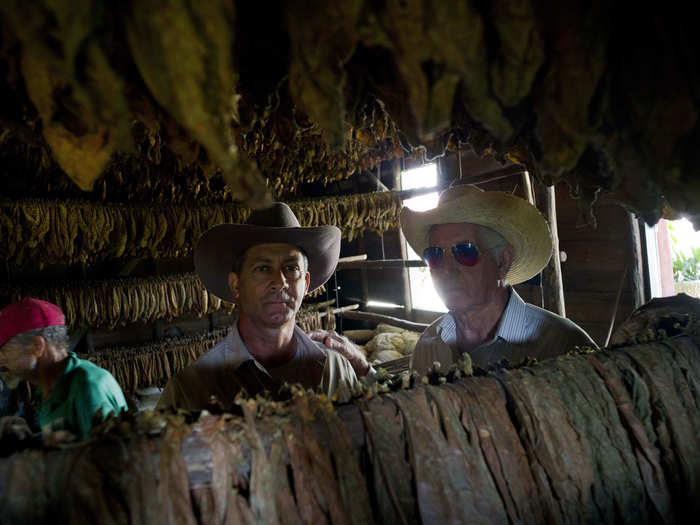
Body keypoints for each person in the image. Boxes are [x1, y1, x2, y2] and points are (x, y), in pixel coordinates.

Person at [157, 203, 358, 410]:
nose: (279, 282)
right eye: (262, 268)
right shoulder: (190, 391)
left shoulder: (336, 371)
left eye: (291, 268)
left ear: (305, 284)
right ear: (236, 285)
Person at [400, 184, 597, 374]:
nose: (447, 269)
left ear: (503, 261)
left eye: (464, 251)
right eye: (434, 255)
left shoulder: (564, 348)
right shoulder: (427, 347)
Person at [0, 298, 127, 441]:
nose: (1, 361)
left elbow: (109, 456)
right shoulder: (45, 388)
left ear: (37, 346)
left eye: (4, 352)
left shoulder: (87, 388)